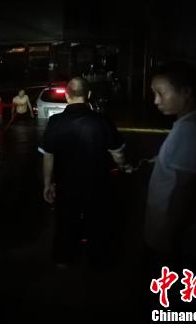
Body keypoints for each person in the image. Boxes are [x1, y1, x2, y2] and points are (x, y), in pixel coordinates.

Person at [39, 77, 131, 267]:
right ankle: (96, 262)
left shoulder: (55, 122)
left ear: (66, 95)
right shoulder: (102, 121)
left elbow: (48, 156)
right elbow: (118, 154)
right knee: (97, 223)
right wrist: (123, 166)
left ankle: (63, 261)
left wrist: (47, 184)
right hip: (97, 185)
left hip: (66, 185)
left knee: (65, 223)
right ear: (88, 95)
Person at [144, 61, 196, 271]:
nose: (156, 100)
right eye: (154, 93)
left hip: (172, 237)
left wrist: (170, 233)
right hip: (184, 235)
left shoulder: (190, 130)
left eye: (161, 93)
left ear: (186, 92)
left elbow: (185, 187)